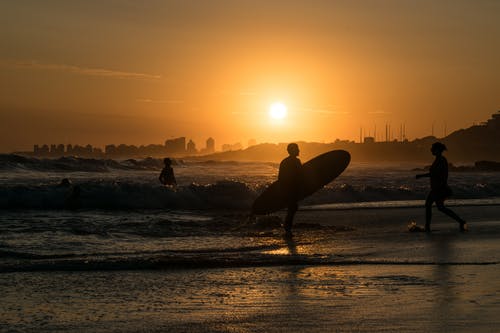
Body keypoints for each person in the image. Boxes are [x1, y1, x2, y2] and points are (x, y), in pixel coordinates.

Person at [416, 142, 467, 232]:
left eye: (433, 148)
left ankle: (427, 227)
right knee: (440, 207)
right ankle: (461, 221)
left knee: (429, 205)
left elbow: (435, 174)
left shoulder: (441, 160)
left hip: (439, 188)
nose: (431, 150)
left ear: (438, 150)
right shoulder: (438, 159)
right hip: (438, 188)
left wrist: (421, 176)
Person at [278, 143, 304, 235]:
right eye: (297, 149)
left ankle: (287, 227)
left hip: (286, 188)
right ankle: (287, 227)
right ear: (292, 150)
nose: (299, 150)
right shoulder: (296, 161)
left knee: (292, 208)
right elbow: (301, 174)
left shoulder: (284, 161)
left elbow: (280, 178)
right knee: (292, 208)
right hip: (291, 188)